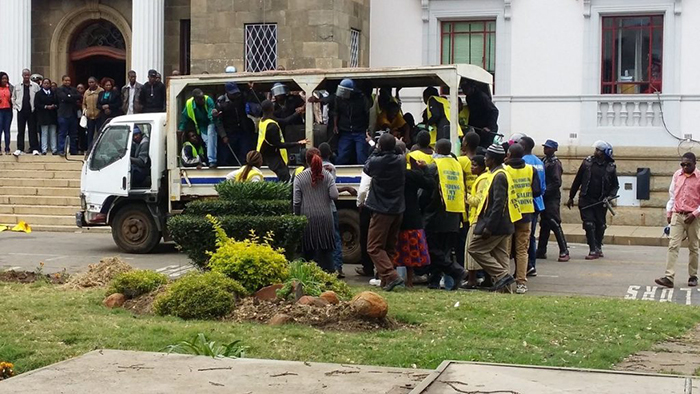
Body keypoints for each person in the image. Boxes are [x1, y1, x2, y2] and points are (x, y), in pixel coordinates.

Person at [468, 144, 521, 293]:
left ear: (492, 160)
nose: (484, 159)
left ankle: (502, 275)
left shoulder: (499, 176)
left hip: (497, 224)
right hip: (504, 223)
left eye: (486, 157)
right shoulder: (498, 173)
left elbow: (498, 204)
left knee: (475, 249)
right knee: (501, 256)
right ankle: (506, 291)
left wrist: (489, 227)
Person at [364, 133, 406, 291]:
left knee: (373, 247)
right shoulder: (401, 160)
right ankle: (385, 281)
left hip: (381, 209)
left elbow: (367, 167)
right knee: (388, 247)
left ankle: (392, 276)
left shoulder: (377, 162)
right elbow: (399, 151)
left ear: (380, 146)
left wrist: (375, 147)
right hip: (397, 208)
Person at [424, 139, 467, 290]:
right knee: (443, 250)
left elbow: (426, 192)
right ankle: (435, 281)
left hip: (436, 214)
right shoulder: (457, 165)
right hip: (454, 213)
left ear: (437, 149)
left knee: (431, 247)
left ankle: (456, 271)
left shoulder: (434, 166)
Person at [567, 140, 619, 259]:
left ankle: (598, 246)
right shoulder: (587, 163)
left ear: (604, 153)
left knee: (600, 225)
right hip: (586, 199)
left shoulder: (610, 167)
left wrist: (610, 196)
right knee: (589, 223)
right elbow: (577, 180)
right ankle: (592, 249)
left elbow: (615, 185)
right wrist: (571, 196)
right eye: (596, 149)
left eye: (599, 150)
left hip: (601, 201)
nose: (596, 152)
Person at [655, 152, 700, 289]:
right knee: (673, 245)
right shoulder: (677, 175)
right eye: (682, 164)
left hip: (693, 216)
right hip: (678, 215)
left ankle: (693, 276)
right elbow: (672, 195)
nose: (685, 167)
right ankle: (669, 277)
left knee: (694, 247)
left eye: (688, 164)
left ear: (694, 163)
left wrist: (695, 213)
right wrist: (669, 212)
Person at [392, 144, 434, 287]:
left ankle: (389, 278)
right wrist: (424, 168)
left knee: (392, 249)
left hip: (392, 215)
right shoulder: (410, 175)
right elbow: (430, 184)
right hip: (412, 216)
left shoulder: (387, 173)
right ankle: (409, 281)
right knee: (410, 251)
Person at [293, 148, 339, 273]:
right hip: (326, 218)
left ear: (306, 160)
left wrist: (296, 217)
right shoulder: (327, 175)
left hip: (307, 219)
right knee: (326, 252)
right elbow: (334, 195)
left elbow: (296, 202)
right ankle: (329, 277)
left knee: (308, 253)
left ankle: (309, 279)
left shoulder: (299, 177)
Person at [504, 143, 541, 294]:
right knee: (522, 250)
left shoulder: (504, 170)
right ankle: (521, 283)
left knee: (505, 250)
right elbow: (537, 191)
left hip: (509, 214)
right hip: (526, 214)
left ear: (509, 155)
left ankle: (504, 281)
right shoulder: (530, 169)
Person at [256, 100, 307, 182]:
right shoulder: (272, 126)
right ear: (272, 109)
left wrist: (297, 113)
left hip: (263, 154)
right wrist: (297, 143)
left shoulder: (263, 121)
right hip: (272, 157)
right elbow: (278, 144)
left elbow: (285, 121)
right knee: (285, 178)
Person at [536, 139, 570, 262]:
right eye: (545, 147)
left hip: (551, 197)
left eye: (548, 148)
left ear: (554, 149)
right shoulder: (544, 160)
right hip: (545, 196)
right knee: (544, 223)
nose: (545, 149)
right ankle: (541, 250)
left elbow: (556, 182)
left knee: (554, 222)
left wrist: (544, 192)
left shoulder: (555, 163)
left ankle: (564, 250)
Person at [520, 136, 547, 277]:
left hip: (526, 204)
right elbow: (543, 186)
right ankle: (531, 265)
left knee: (523, 236)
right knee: (531, 235)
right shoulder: (539, 161)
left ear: (523, 147)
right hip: (538, 203)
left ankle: (527, 265)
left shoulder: (522, 162)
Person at [463, 155, 490, 289]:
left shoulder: (483, 180)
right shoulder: (482, 178)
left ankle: (472, 280)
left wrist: (465, 196)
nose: (472, 168)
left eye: (474, 165)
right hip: (476, 218)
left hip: (477, 219)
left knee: (471, 249)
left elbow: (478, 200)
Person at [456, 131, 481, 270]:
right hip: (477, 206)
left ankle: (464, 269)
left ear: (465, 143)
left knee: (463, 242)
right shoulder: (482, 160)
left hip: (465, 207)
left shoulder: (461, 161)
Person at [178, 88, 221, 168]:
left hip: (210, 122)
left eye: (203, 97)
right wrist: (181, 128)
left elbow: (210, 113)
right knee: (208, 142)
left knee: (211, 136)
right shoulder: (189, 104)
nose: (203, 100)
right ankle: (209, 161)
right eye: (200, 99)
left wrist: (213, 115)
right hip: (201, 126)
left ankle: (212, 161)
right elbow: (184, 118)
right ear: (195, 99)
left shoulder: (208, 100)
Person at [320, 143, 345, 278]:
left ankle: (324, 267)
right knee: (335, 238)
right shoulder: (331, 168)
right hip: (331, 207)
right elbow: (332, 189)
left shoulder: (313, 168)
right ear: (330, 153)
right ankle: (337, 267)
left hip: (319, 207)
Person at [215, 82, 255, 166]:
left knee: (245, 151)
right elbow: (218, 121)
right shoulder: (220, 103)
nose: (236, 95)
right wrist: (223, 135)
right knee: (225, 155)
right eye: (233, 94)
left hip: (241, 130)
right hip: (229, 132)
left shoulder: (240, 98)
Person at [334, 78, 371, 165]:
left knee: (361, 155)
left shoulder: (362, 99)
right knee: (342, 155)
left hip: (359, 130)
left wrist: (367, 129)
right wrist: (335, 126)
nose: (342, 94)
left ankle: (363, 173)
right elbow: (336, 112)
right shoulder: (338, 98)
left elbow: (368, 114)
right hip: (345, 131)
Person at [461, 80, 499, 148]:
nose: (464, 91)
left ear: (472, 87)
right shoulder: (468, 97)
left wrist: (489, 127)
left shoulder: (482, 97)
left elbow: (494, 111)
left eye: (466, 88)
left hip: (487, 129)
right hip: (478, 128)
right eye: (463, 89)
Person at [11, 69, 40, 156]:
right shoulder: (17, 86)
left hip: (32, 111)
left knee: (32, 130)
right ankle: (20, 148)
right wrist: (16, 106)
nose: (26, 77)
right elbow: (13, 97)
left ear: (30, 75)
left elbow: (38, 97)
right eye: (25, 75)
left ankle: (34, 148)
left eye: (28, 75)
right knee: (20, 130)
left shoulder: (35, 86)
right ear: (22, 75)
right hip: (21, 110)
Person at [55, 75, 81, 156]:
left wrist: (70, 96)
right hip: (63, 114)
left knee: (73, 134)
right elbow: (64, 97)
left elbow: (79, 96)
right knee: (62, 133)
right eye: (66, 80)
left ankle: (73, 150)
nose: (67, 82)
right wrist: (71, 97)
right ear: (62, 81)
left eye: (69, 80)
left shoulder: (73, 89)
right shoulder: (59, 89)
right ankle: (61, 150)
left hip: (73, 114)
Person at [35, 78, 58, 155]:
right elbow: (37, 105)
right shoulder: (38, 94)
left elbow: (57, 103)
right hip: (43, 116)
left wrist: (53, 106)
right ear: (42, 84)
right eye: (45, 83)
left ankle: (54, 149)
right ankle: (44, 149)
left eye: (48, 83)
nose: (46, 84)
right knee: (44, 133)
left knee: (53, 133)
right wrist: (45, 106)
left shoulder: (53, 93)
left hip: (52, 116)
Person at [82, 77, 103, 150]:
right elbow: (84, 103)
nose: (91, 84)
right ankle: (89, 149)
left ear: (96, 82)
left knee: (99, 133)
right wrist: (85, 110)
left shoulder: (101, 91)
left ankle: (99, 149)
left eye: (92, 82)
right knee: (89, 134)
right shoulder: (86, 92)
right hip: (90, 116)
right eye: (89, 82)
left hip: (99, 115)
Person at [0, 72, 12, 155]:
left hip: (8, 111)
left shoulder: (10, 88)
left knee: (7, 130)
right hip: (0, 110)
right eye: (3, 78)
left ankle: (7, 148)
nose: (5, 80)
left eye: (6, 78)